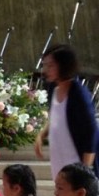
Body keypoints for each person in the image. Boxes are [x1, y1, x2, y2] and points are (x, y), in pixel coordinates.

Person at [34, 44, 99, 179]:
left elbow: (91, 132)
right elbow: (56, 118)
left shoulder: (78, 94)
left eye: (50, 66)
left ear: (63, 66)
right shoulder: (53, 88)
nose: (45, 70)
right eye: (45, 65)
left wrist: (85, 170)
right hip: (59, 158)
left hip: (76, 159)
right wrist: (41, 135)